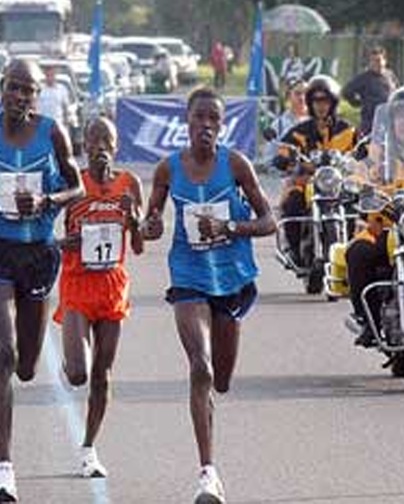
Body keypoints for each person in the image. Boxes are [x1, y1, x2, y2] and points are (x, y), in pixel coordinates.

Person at [0, 58, 84, 503]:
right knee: (3, 353)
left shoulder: (53, 133)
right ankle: (3, 470)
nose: (21, 97)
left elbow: (77, 187)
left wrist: (49, 199)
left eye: (29, 91)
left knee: (26, 366)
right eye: (14, 88)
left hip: (38, 254)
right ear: (1, 87)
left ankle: (40, 359)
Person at [142, 87, 276, 504]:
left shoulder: (236, 165)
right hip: (188, 276)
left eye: (213, 119)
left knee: (221, 378)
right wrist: (148, 227)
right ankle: (207, 475)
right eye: (199, 117)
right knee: (199, 367)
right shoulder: (168, 170)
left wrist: (230, 229)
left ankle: (209, 462)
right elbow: (153, 221)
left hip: (231, 279)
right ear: (187, 121)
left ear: (222, 125)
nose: (206, 125)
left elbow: (269, 221)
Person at [53, 116, 143, 478]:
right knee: (78, 374)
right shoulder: (73, 183)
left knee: (102, 375)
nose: (100, 146)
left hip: (111, 285)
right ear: (84, 146)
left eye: (107, 140)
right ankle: (70, 359)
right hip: (77, 282)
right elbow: (49, 233)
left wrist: (133, 218)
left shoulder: (129, 183)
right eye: (93, 140)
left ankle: (89, 447)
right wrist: (65, 244)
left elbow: (138, 245)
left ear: (116, 146)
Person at [346, 86, 404, 346]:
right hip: (384, 226)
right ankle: (367, 319)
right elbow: (359, 172)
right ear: (391, 120)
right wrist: (355, 185)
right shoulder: (379, 154)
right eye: (400, 117)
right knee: (358, 252)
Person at [274, 75, 358, 266]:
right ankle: (294, 250)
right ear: (310, 103)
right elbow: (284, 150)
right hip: (307, 183)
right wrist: (283, 158)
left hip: (339, 184)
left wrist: (369, 159)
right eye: (316, 101)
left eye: (325, 100)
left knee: (359, 203)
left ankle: (353, 249)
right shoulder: (299, 131)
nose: (321, 105)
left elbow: (363, 151)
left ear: (333, 102)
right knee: (292, 201)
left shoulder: (348, 131)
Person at [342, 45, 400, 136]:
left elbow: (398, 91)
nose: (376, 64)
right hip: (370, 122)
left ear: (384, 61)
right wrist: (358, 103)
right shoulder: (364, 78)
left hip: (388, 121)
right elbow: (346, 91)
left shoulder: (390, 75)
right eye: (373, 61)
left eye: (379, 60)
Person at [264, 77, 309, 158]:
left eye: (306, 93)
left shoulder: (319, 122)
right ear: (289, 96)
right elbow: (268, 159)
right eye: (297, 93)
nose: (302, 98)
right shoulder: (278, 125)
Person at [38, 66, 70, 130]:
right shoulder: (40, 89)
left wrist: (66, 125)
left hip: (57, 124)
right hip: (43, 124)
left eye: (51, 75)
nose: (50, 78)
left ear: (55, 76)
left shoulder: (62, 89)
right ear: (45, 76)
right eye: (48, 75)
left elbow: (65, 108)